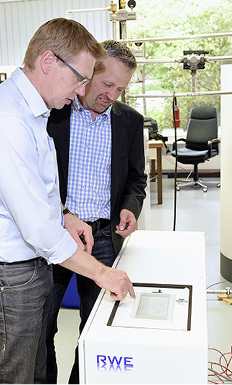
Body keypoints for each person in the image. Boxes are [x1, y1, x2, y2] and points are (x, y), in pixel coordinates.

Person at [0, 19, 136, 384]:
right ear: (49, 61)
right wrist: (103, 272)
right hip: (14, 275)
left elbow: (39, 190)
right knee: (17, 373)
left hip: (34, 266)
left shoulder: (33, 111)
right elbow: (37, 228)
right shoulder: (10, 120)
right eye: (81, 78)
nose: (81, 91)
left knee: (34, 366)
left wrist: (63, 214)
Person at [45, 40, 147, 383]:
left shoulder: (130, 122)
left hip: (102, 238)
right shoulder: (53, 113)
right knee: (41, 327)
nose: (112, 95)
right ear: (88, 74)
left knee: (95, 330)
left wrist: (131, 207)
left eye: (121, 88)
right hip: (52, 237)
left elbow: (136, 178)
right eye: (107, 84)